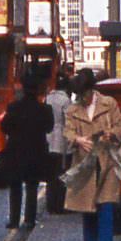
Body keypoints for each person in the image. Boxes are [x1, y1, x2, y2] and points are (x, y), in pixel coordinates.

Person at [64, 69, 121, 241]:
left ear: (91, 90)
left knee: (106, 200)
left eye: (84, 94)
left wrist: (112, 133)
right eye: (79, 95)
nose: (82, 98)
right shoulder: (72, 110)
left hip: (107, 158)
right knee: (87, 202)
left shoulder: (109, 104)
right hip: (85, 161)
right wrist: (78, 140)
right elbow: (68, 132)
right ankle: (90, 240)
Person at [0, 71, 55, 230]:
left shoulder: (14, 107)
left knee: (15, 187)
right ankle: (29, 220)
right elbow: (49, 128)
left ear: (23, 88)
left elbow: (5, 127)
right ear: (38, 90)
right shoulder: (45, 109)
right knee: (32, 186)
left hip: (16, 151)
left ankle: (14, 220)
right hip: (36, 151)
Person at [44, 71, 72, 214]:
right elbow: (68, 121)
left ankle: (50, 204)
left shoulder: (48, 98)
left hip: (48, 137)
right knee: (61, 173)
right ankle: (60, 204)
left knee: (50, 174)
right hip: (61, 138)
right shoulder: (65, 100)